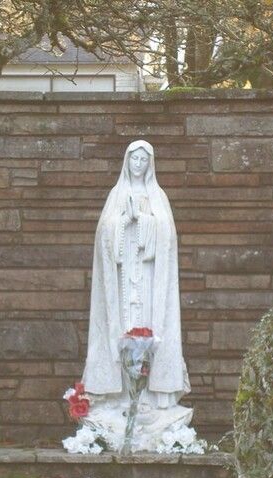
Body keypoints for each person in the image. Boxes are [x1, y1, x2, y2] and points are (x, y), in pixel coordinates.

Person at [80, 139, 193, 452]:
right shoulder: (116, 196)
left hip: (147, 281)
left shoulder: (158, 197)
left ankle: (149, 398)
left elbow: (167, 237)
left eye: (145, 159)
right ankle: (118, 398)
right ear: (127, 161)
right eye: (135, 159)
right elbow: (104, 234)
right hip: (121, 281)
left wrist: (144, 222)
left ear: (151, 163)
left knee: (148, 334)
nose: (139, 164)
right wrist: (124, 221)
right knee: (120, 333)